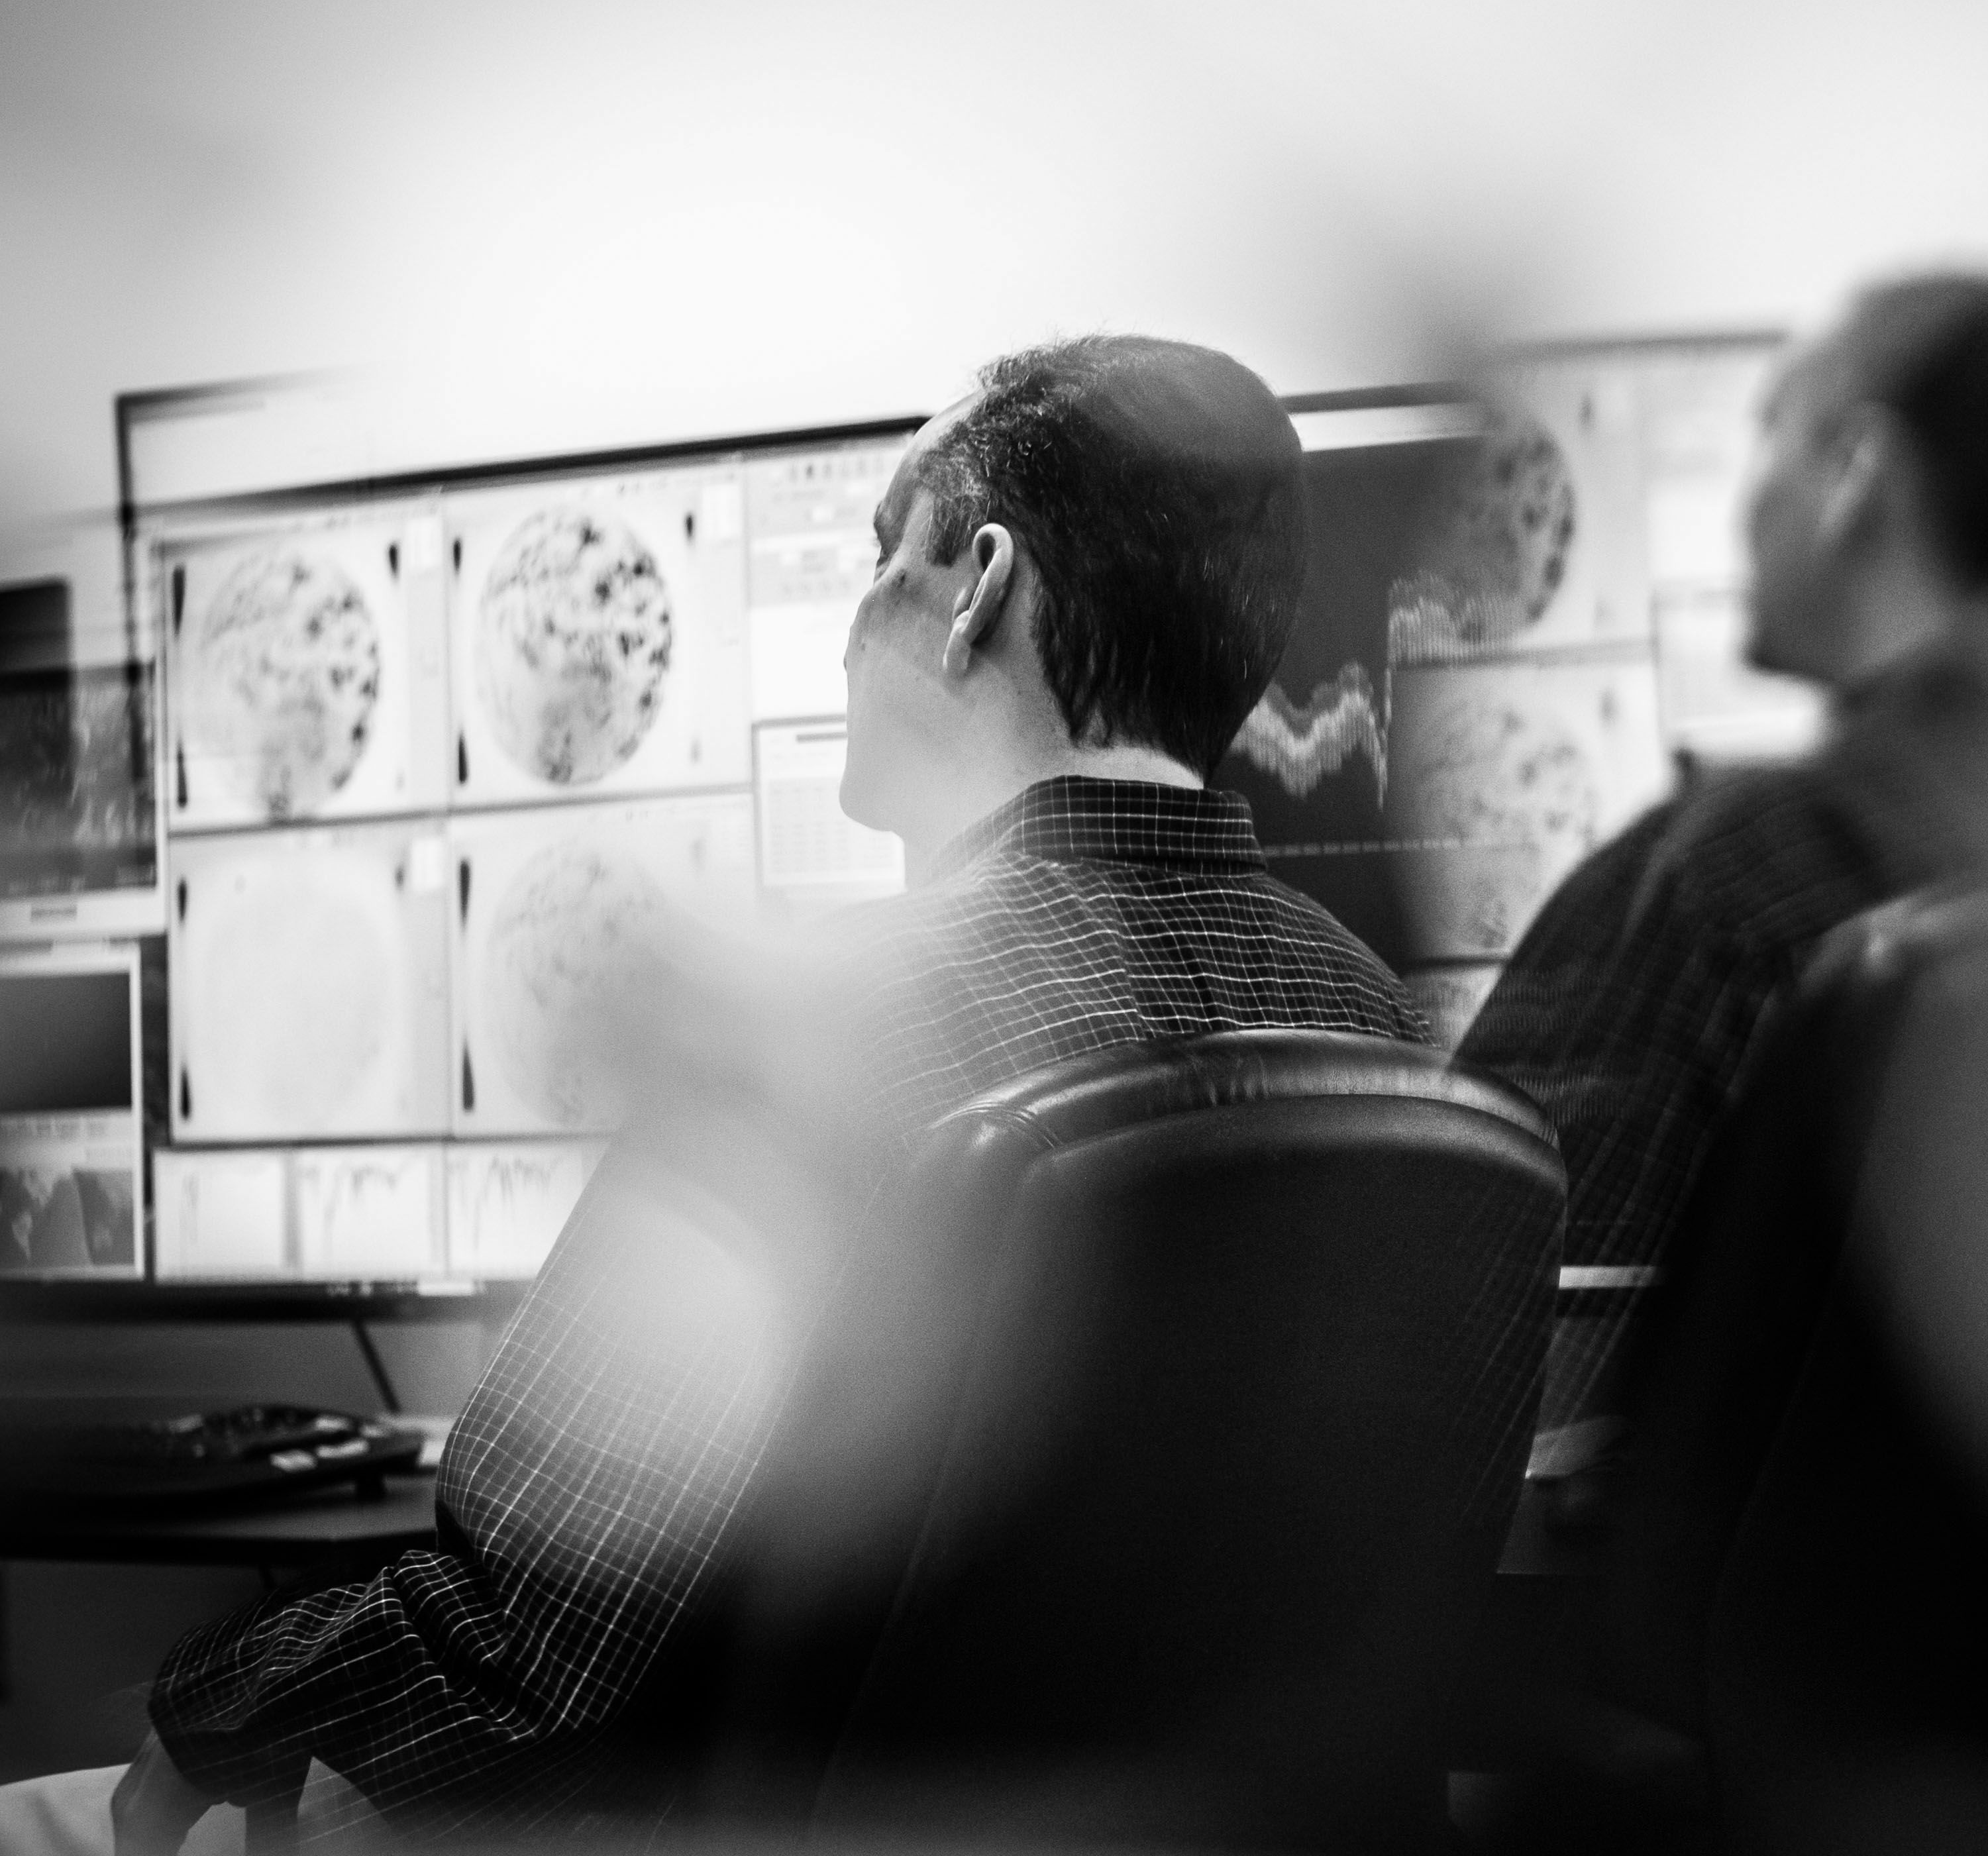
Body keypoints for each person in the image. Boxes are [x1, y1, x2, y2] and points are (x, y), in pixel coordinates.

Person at [11, 334, 1428, 1855]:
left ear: (978, 590)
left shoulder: (823, 1034)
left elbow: (516, 1673)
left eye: (886, 551)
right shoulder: (1379, 1033)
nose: (844, 629)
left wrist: (206, 1701)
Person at [1457, 272, 1988, 1431]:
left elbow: (1496, 1367)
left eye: (1775, 437)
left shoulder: (1731, 875)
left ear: (1857, 473)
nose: (1748, 505)